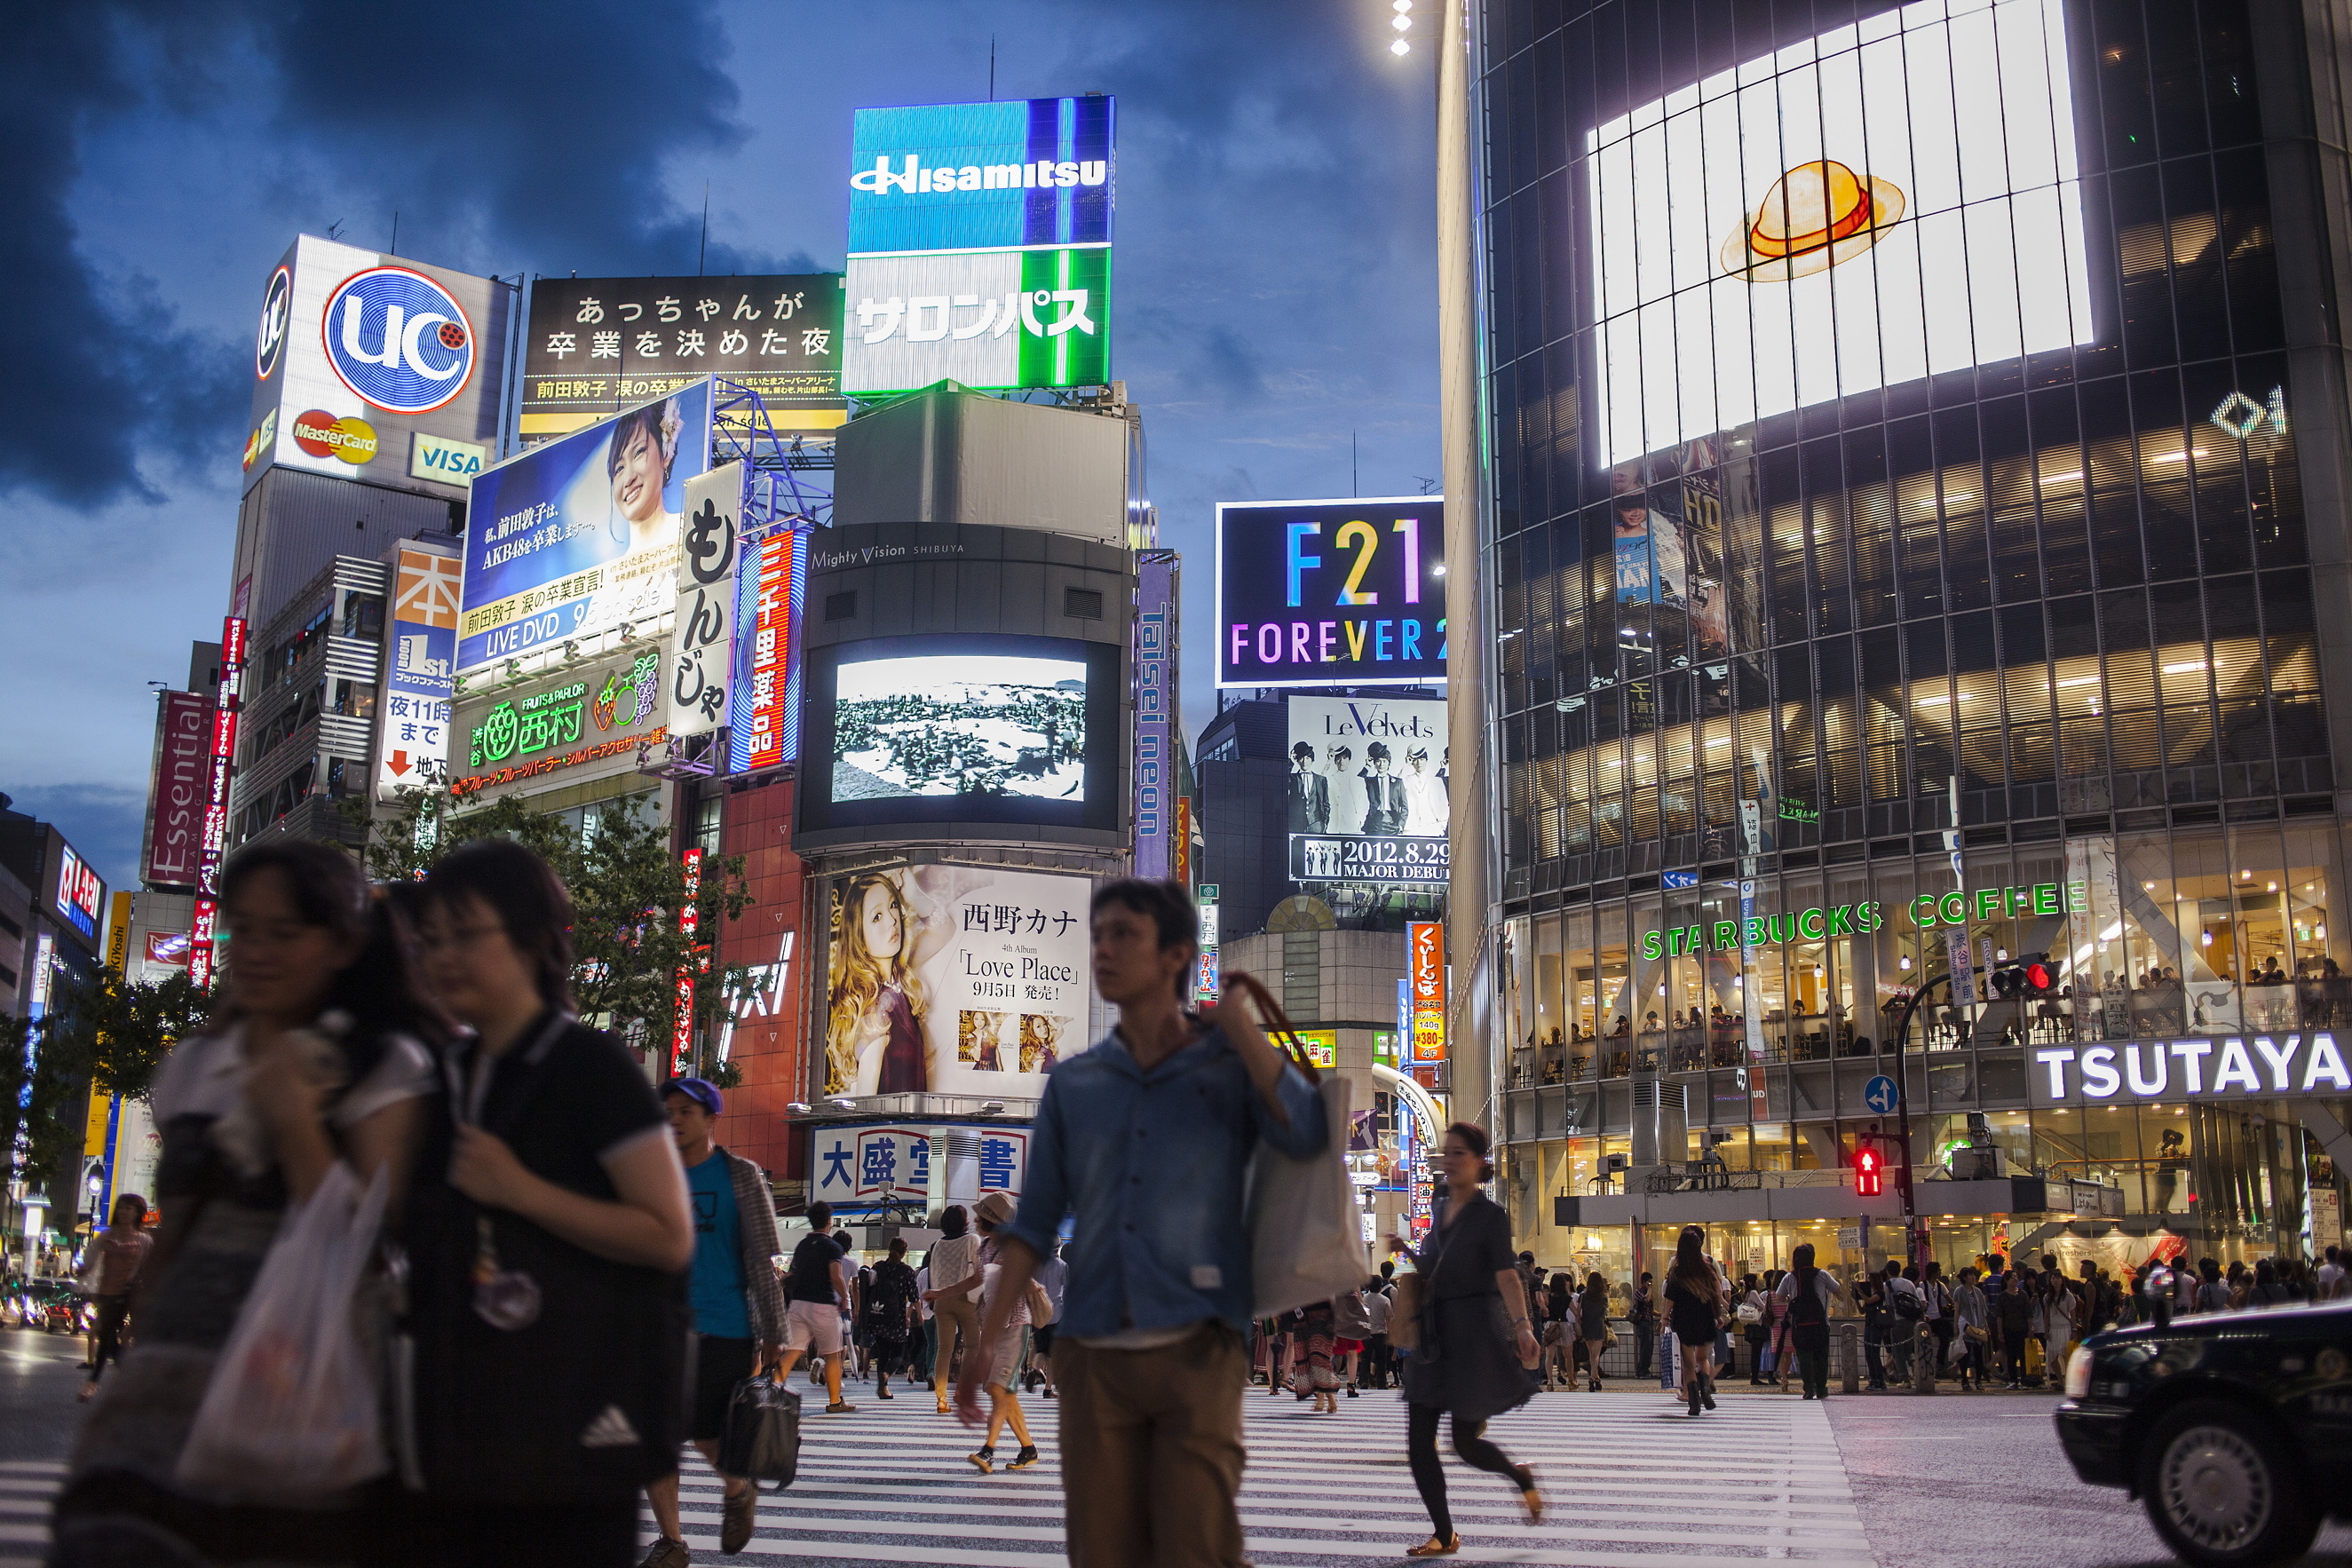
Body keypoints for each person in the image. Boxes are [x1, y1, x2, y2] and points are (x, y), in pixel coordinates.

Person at [54, 840, 444, 1568]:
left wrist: (294, 1121)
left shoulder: (385, 1067)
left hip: (296, 1393)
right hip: (164, 1394)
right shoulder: (196, 1065)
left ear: (342, 944)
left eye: (285, 933)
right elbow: (175, 1238)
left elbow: (376, 1241)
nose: (257, 952)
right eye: (244, 930)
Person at [953, 878, 1327, 1568]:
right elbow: (1032, 1225)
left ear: (1175, 954)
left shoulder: (1224, 1065)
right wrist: (982, 1347)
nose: (1102, 950)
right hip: (1092, 1352)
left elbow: (1308, 1133)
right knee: (1102, 1550)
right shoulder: (1076, 1081)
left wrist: (1243, 1030)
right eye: (1098, 936)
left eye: (1123, 934)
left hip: (1198, 1342)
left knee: (1197, 1545)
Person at [384, 839, 694, 1568]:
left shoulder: (590, 1067)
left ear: (529, 937)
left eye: (465, 935)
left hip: (573, 1436)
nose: (443, 957)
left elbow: (667, 1234)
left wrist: (521, 1191)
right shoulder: (443, 1075)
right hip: (455, 1427)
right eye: (430, 941)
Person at [642, 1077, 785, 1563]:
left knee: (706, 1433)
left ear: (711, 1119)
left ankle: (738, 1488)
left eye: (687, 1111)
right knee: (654, 1438)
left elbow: (761, 1260)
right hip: (658, 1326)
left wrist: (774, 1336)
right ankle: (672, 1542)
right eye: (669, 1111)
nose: (675, 1120)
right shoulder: (649, 1175)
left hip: (725, 1325)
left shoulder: (741, 1176)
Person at [1388, 1122, 1541, 1556]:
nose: (1450, 1160)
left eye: (1459, 1153)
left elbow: (1507, 1274)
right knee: (1419, 1442)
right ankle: (1444, 1533)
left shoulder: (1490, 1216)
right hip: (1432, 1334)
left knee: (1464, 1443)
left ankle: (1520, 1477)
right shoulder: (1437, 1204)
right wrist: (1407, 1250)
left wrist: (1523, 1326)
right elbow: (1436, 1266)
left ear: (1479, 1162)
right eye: (1447, 1152)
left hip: (1471, 1335)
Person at [827, 869, 948, 1097]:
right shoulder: (876, 1010)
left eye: (893, 905)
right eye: (877, 916)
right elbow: (866, 1101)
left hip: (913, 1126)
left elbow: (944, 929)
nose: (892, 920)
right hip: (895, 1129)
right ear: (859, 937)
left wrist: (913, 895)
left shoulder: (900, 979)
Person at [967, 1191, 1042, 1472]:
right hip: (992, 1327)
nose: (976, 1221)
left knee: (998, 1389)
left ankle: (988, 1451)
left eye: (981, 1217)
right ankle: (1028, 1449)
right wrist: (940, 1292)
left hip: (1015, 1326)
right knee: (1004, 1394)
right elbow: (976, 1280)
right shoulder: (984, 1248)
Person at [774, 1203, 857, 1415]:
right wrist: (846, 1299)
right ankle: (835, 1401)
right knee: (833, 1355)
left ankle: (771, 1393)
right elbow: (836, 1276)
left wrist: (777, 1287)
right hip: (823, 1306)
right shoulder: (833, 1247)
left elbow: (791, 1273)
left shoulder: (802, 1245)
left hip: (798, 1305)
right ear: (829, 1221)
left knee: (792, 1352)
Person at [75, 1192, 152, 1403]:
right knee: (107, 1336)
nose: (124, 1212)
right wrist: (83, 1269)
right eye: (121, 1207)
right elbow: (90, 1257)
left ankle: (92, 1383)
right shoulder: (107, 1236)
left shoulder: (143, 1240)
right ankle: (131, 1377)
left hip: (130, 1291)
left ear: (138, 1213)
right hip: (107, 1291)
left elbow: (149, 1267)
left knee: (108, 1334)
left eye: (129, 1208)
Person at [1664, 1226, 1727, 1417]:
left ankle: (1694, 1403)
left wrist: (1665, 1318)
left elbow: (1670, 1298)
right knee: (1703, 1358)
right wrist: (1718, 1316)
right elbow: (1716, 1295)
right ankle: (1705, 1390)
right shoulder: (1707, 1269)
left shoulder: (1677, 1272)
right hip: (1705, 1317)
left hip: (1684, 1319)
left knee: (1689, 1364)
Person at [925, 1203, 981, 1414]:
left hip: (942, 1300)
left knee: (944, 1349)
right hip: (967, 1299)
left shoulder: (937, 1244)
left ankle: (941, 1399)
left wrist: (936, 1296)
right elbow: (979, 1270)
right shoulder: (972, 1240)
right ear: (965, 1221)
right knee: (972, 1346)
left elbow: (934, 1272)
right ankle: (961, 1391)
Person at [1775, 1244, 1841, 1399]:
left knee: (1804, 1357)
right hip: (1821, 1324)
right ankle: (1822, 1389)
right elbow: (1838, 1290)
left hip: (1799, 1324)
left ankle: (1808, 1388)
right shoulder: (1822, 1274)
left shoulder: (1790, 1277)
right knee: (1821, 1356)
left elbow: (1779, 1297)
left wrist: (1793, 1298)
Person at [867, 1236, 921, 1398]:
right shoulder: (906, 1271)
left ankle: (883, 1388)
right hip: (896, 1318)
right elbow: (913, 1296)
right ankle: (887, 1374)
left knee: (882, 1352)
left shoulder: (878, 1267)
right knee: (898, 1353)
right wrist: (918, 1313)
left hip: (878, 1314)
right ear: (904, 1253)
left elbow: (869, 1289)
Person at [1951, 1265, 1990, 1391]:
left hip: (1978, 1324)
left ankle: (1978, 1381)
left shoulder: (1977, 1291)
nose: (1973, 1277)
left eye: (1973, 1275)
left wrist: (1986, 1325)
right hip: (1965, 1324)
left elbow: (1983, 1310)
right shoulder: (1959, 1291)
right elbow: (1957, 1310)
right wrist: (1956, 1326)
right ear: (1964, 1278)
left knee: (1979, 1354)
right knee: (1965, 1354)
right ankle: (1964, 1381)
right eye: (1970, 1275)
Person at [1577, 1271, 1611, 1393]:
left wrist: (1579, 1321)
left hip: (1587, 1326)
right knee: (1595, 1355)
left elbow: (1578, 1311)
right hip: (1598, 1327)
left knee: (1592, 1354)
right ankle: (1593, 1378)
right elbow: (1606, 1309)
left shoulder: (1583, 1295)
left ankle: (1596, 1378)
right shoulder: (1602, 1297)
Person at [1362, 1274, 1394, 1391]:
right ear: (1380, 1286)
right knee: (1381, 1359)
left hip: (1367, 1331)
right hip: (1381, 1332)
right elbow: (1389, 1318)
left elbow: (1362, 1315)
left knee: (1366, 1358)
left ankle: (1364, 1380)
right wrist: (1390, 1332)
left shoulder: (1364, 1299)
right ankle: (1382, 1382)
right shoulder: (1385, 1300)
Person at [1629, 1271, 1657, 1381]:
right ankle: (1642, 1370)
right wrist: (1649, 1290)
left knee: (1649, 1347)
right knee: (1645, 1347)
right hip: (1643, 1323)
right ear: (1644, 1282)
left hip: (1649, 1322)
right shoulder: (1639, 1292)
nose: (1651, 1285)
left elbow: (1649, 1308)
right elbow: (1646, 1300)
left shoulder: (1647, 1292)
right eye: (1649, 1283)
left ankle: (1644, 1369)